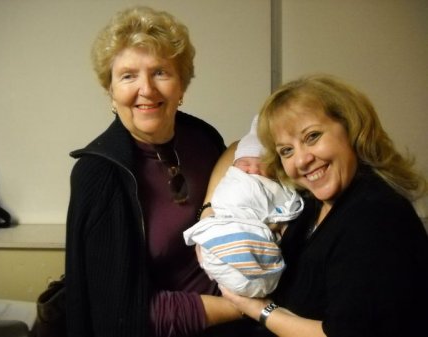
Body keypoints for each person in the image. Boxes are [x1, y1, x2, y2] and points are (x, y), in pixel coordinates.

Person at [65, 6, 269, 337]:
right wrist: (246, 309)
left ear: (181, 85)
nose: (146, 89)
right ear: (111, 91)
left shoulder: (203, 138)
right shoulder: (99, 175)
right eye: (128, 75)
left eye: (160, 72)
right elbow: (120, 314)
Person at [211, 74, 428, 337]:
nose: (301, 160)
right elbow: (236, 152)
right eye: (286, 150)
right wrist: (208, 217)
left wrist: (258, 309)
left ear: (351, 128)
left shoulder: (378, 217)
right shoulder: (312, 203)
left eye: (312, 137)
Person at [183, 115, 304, 297]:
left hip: (256, 239)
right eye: (245, 164)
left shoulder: (275, 185)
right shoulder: (231, 178)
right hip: (226, 225)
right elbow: (217, 202)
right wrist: (209, 217)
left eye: (262, 166)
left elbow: (286, 204)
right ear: (234, 165)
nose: (253, 170)